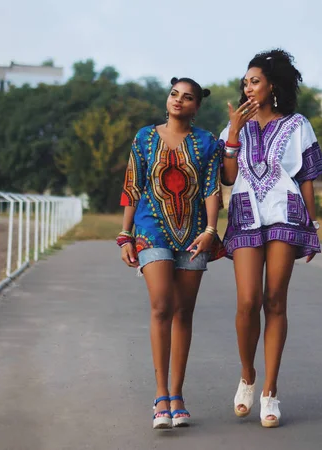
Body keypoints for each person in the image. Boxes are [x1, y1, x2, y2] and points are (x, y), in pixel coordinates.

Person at [219, 49, 322, 428]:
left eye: (255, 81)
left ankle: (270, 391)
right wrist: (233, 132)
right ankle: (247, 376)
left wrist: (312, 226)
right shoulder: (234, 126)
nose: (248, 87)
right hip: (246, 215)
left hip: (286, 214)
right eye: (245, 81)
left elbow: (307, 177)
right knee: (247, 301)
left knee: (274, 301)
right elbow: (229, 178)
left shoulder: (298, 125)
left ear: (272, 86)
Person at [118, 77, 224, 429]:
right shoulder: (145, 137)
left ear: (197, 106)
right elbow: (133, 185)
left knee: (184, 311)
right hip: (151, 230)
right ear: (168, 99)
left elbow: (211, 188)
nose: (179, 100)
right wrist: (125, 234)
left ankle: (177, 396)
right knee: (162, 304)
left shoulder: (207, 142)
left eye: (188, 97)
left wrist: (211, 230)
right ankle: (160, 396)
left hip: (194, 235)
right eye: (174, 94)